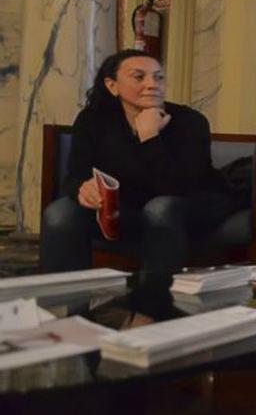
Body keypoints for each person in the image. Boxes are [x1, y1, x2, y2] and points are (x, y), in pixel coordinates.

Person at [41, 49, 237, 273]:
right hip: (123, 211)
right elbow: (76, 175)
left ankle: (155, 302)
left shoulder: (190, 122)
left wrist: (150, 138)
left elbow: (178, 188)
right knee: (59, 214)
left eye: (158, 77)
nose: (152, 84)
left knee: (159, 208)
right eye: (139, 77)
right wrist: (84, 189)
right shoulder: (92, 120)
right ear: (112, 85)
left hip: (185, 209)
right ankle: (65, 304)